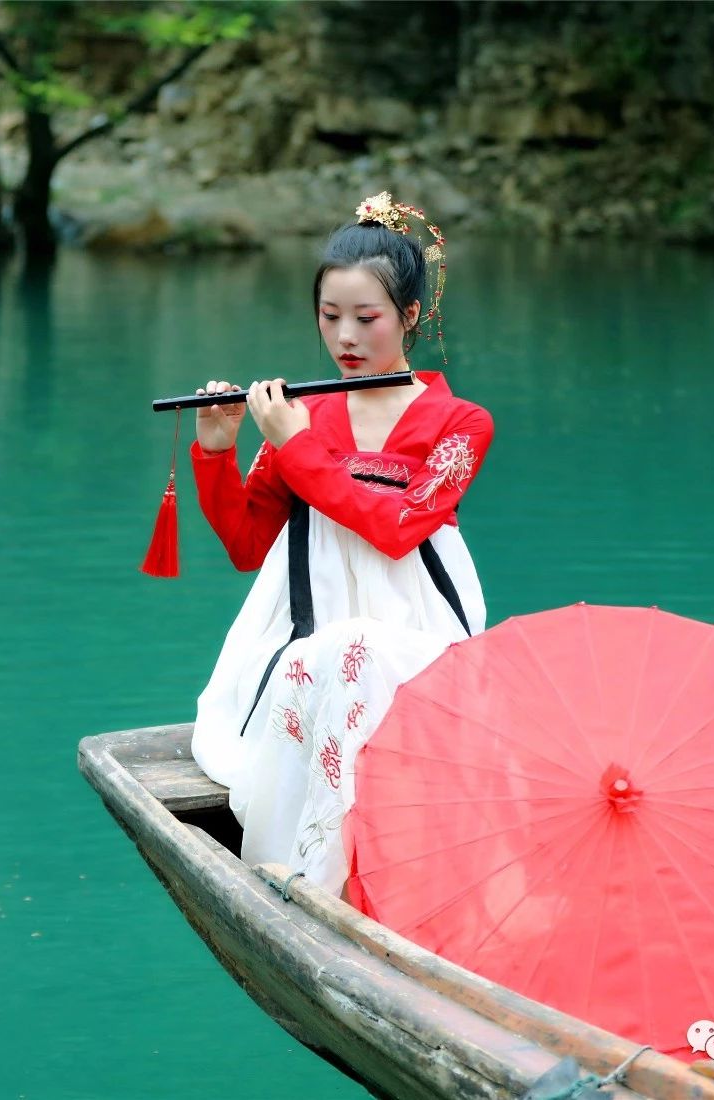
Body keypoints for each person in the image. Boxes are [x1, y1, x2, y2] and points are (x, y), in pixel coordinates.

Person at [189, 192, 494, 898]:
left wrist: (296, 445)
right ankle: (311, 876)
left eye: (368, 318)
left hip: (416, 623)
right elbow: (246, 545)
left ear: (410, 317)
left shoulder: (460, 422)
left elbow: (396, 529)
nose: (346, 337)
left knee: (363, 653)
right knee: (335, 663)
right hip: (301, 625)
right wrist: (217, 451)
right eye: (331, 318)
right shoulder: (304, 413)